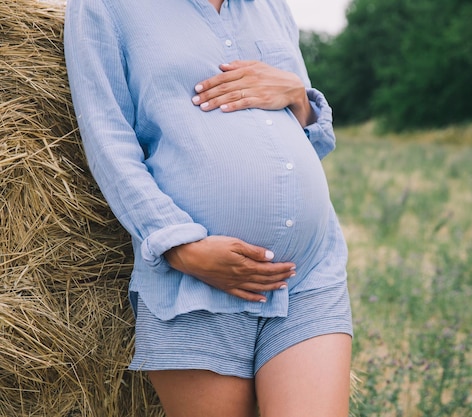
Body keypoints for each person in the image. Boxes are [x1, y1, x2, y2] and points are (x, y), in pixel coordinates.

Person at [64, 0, 353, 416]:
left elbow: (310, 135)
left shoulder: (271, 6)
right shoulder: (104, 7)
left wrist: (297, 96)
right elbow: (108, 141)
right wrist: (180, 248)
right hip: (197, 285)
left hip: (307, 274)